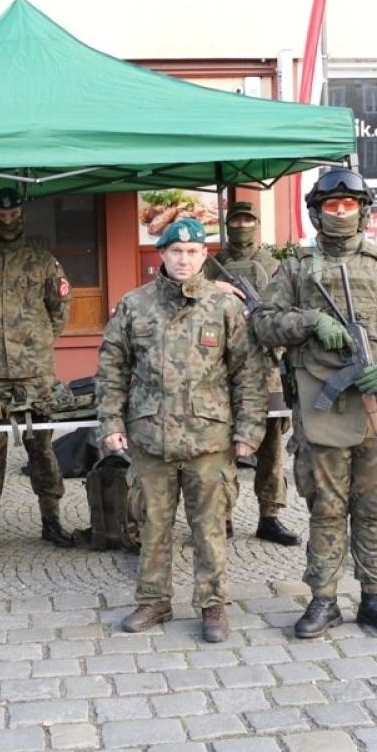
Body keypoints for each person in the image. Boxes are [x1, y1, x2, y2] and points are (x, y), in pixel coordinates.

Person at [251, 167, 377, 641]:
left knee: (374, 506)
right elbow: (264, 323)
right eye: (331, 206)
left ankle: (375, 596)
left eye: (347, 206)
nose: (339, 213)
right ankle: (324, 599)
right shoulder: (295, 269)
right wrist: (310, 321)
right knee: (326, 508)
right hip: (320, 406)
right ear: (317, 212)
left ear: (363, 211)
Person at [96, 217, 265, 644]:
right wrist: (111, 423)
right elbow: (112, 368)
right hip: (151, 434)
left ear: (204, 255)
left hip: (210, 438)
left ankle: (213, 605)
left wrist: (248, 430)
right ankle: (154, 599)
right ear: (163, 255)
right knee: (152, 523)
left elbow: (248, 373)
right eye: (176, 252)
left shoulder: (225, 307)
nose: (184, 259)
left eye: (192, 252)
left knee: (209, 525)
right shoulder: (134, 305)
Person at [0, 186, 77, 553]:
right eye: (1, 215)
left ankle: (51, 519)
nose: (8, 220)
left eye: (14, 214)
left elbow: (60, 308)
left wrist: (36, 343)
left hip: (35, 375)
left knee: (42, 449)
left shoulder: (43, 261)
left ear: (22, 215)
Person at [213, 200, 300, 547]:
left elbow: (289, 312)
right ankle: (224, 516)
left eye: (248, 219)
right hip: (222, 367)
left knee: (271, 445)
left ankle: (270, 515)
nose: (242, 225)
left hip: (267, 366)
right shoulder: (210, 265)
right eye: (236, 220)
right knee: (223, 444)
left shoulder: (273, 265)